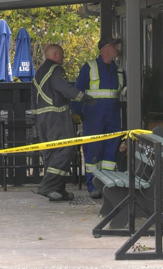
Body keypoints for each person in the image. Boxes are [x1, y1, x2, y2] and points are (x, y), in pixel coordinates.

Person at [31, 44, 95, 202]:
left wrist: (36, 122)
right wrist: (83, 97)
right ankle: (47, 186)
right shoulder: (56, 70)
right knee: (65, 150)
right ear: (55, 55)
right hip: (56, 117)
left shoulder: (38, 73)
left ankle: (57, 190)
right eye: (62, 55)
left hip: (41, 120)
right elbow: (64, 88)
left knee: (50, 154)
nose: (64, 59)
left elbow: (33, 100)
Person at [74, 37, 126, 199]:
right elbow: (77, 92)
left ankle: (108, 186)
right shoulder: (89, 67)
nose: (117, 49)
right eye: (113, 46)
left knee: (110, 153)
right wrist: (76, 112)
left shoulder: (119, 71)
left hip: (113, 118)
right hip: (93, 118)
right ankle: (93, 186)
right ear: (104, 49)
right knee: (93, 153)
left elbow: (124, 94)